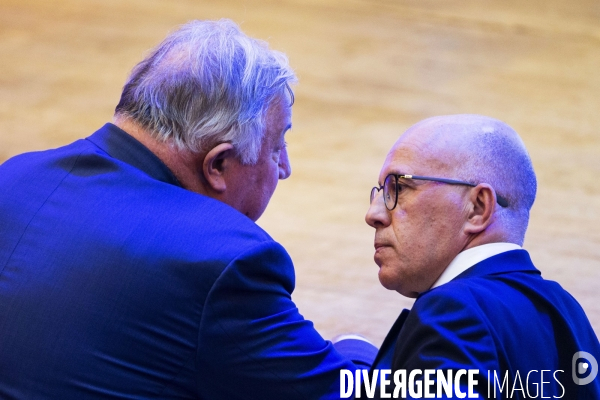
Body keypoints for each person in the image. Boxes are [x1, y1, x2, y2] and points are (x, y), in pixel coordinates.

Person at [0, 19, 375, 399]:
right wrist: (355, 345)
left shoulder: (15, 176)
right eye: (277, 147)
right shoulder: (222, 262)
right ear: (217, 165)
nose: (284, 168)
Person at [365, 114, 600, 399]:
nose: (373, 214)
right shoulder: (566, 310)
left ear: (477, 207)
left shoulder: (453, 311)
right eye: (380, 192)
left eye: (399, 188)